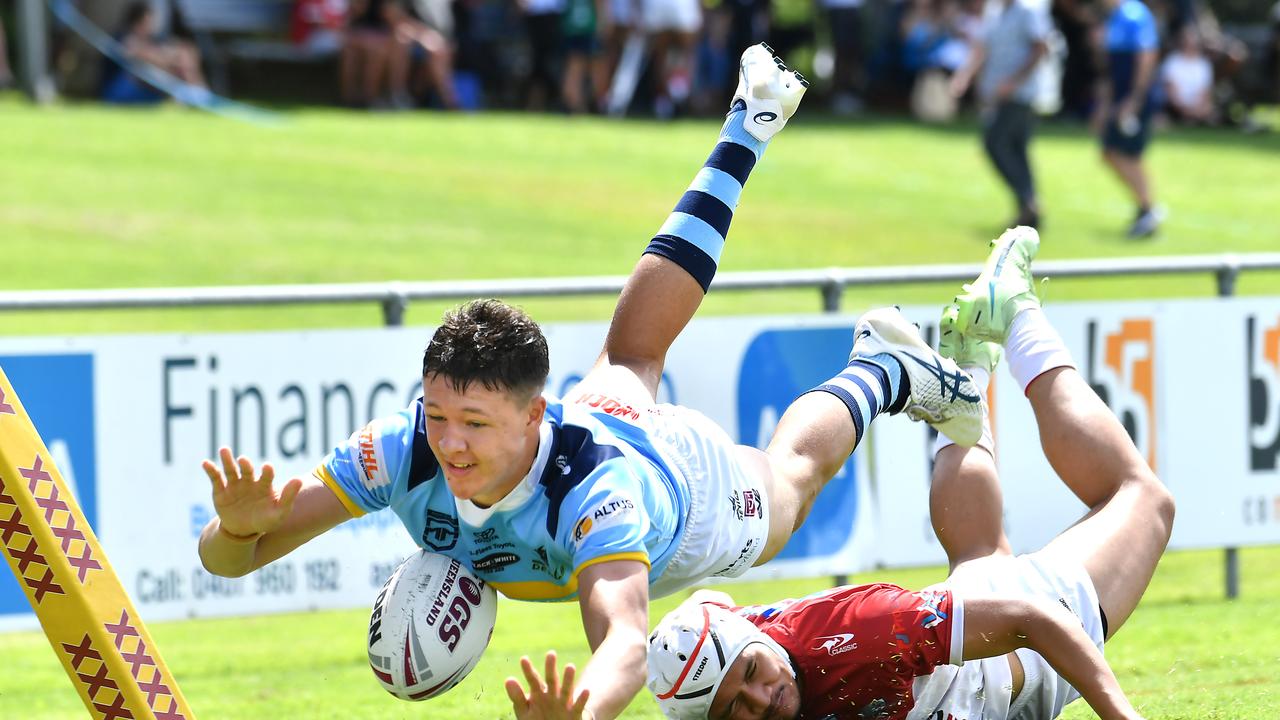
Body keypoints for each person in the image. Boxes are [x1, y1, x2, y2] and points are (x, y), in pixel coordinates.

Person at [197, 44, 985, 720]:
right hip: (604, 414)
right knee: (633, 353)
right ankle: (751, 118)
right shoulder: (400, 451)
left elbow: (623, 642)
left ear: (535, 415)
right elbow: (227, 563)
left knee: (790, 483)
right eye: (438, 414)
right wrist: (236, 529)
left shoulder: (594, 494)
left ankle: (882, 368)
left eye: (474, 423)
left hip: (685, 495)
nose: (449, 441)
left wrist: (585, 710)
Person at [647, 226, 1176, 720]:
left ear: (749, 641)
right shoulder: (721, 650)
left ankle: (1017, 315)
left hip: (1028, 648)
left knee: (1142, 496)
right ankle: (967, 365)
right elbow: (709, 605)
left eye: (749, 672)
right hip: (966, 646)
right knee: (980, 557)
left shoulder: (864, 633)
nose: (763, 700)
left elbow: (1032, 620)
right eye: (733, 708)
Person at [950, 0, 1051, 229]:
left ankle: (1028, 200)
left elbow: (1041, 48)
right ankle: (1028, 212)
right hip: (997, 93)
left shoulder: (1028, 10)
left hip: (1021, 95)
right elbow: (982, 47)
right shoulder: (994, 11)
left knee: (995, 143)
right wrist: (964, 76)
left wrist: (1014, 82)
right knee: (1017, 149)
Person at [1094, 0, 1163, 239]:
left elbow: (1146, 57)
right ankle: (1146, 207)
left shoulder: (1134, 13)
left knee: (1127, 153)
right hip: (1121, 96)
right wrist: (1105, 104)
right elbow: (1111, 68)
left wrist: (1134, 99)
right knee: (1110, 152)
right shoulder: (1113, 17)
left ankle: (1148, 210)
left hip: (1135, 97)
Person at [101, 2, 209, 104]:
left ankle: (199, 95)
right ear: (137, 22)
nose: (152, 26)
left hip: (139, 89)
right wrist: (174, 59)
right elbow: (147, 56)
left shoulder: (149, 40)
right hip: (117, 92)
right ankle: (196, 96)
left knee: (183, 56)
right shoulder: (125, 39)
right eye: (148, 22)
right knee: (158, 69)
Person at [1160, 26, 1215, 124]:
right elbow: (1170, 90)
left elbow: (1205, 91)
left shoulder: (1204, 64)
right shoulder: (1172, 61)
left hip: (1197, 106)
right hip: (1175, 106)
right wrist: (1184, 108)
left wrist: (1197, 107)